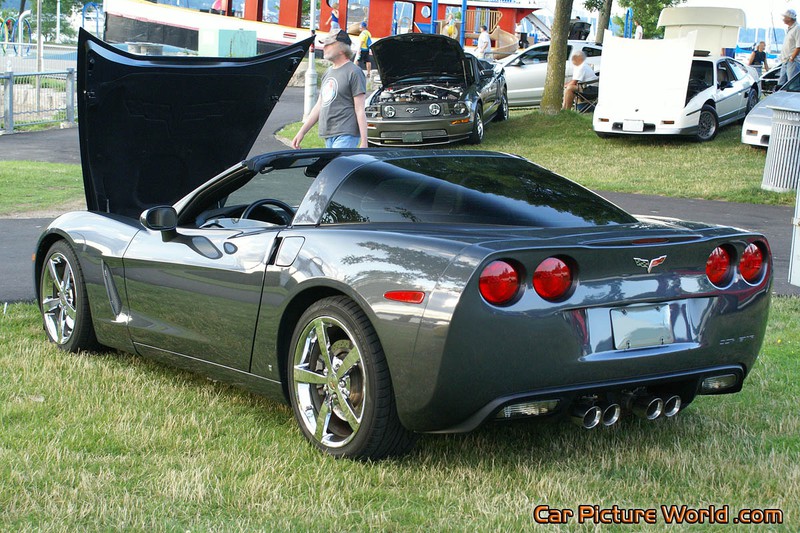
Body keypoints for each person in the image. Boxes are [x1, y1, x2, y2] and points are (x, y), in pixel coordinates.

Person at [291, 30, 368, 149]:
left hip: (346, 134)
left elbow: (360, 109)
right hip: (329, 135)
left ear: (342, 49)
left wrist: (364, 142)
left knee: (337, 162)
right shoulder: (328, 72)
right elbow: (319, 105)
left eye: (329, 44)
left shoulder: (354, 72)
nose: (324, 47)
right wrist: (301, 132)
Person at [778, 9, 799, 87]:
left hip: (792, 61)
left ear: (789, 18)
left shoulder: (797, 28)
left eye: (785, 17)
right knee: (781, 83)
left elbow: (798, 46)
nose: (783, 19)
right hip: (785, 60)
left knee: (792, 84)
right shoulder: (790, 29)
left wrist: (792, 58)